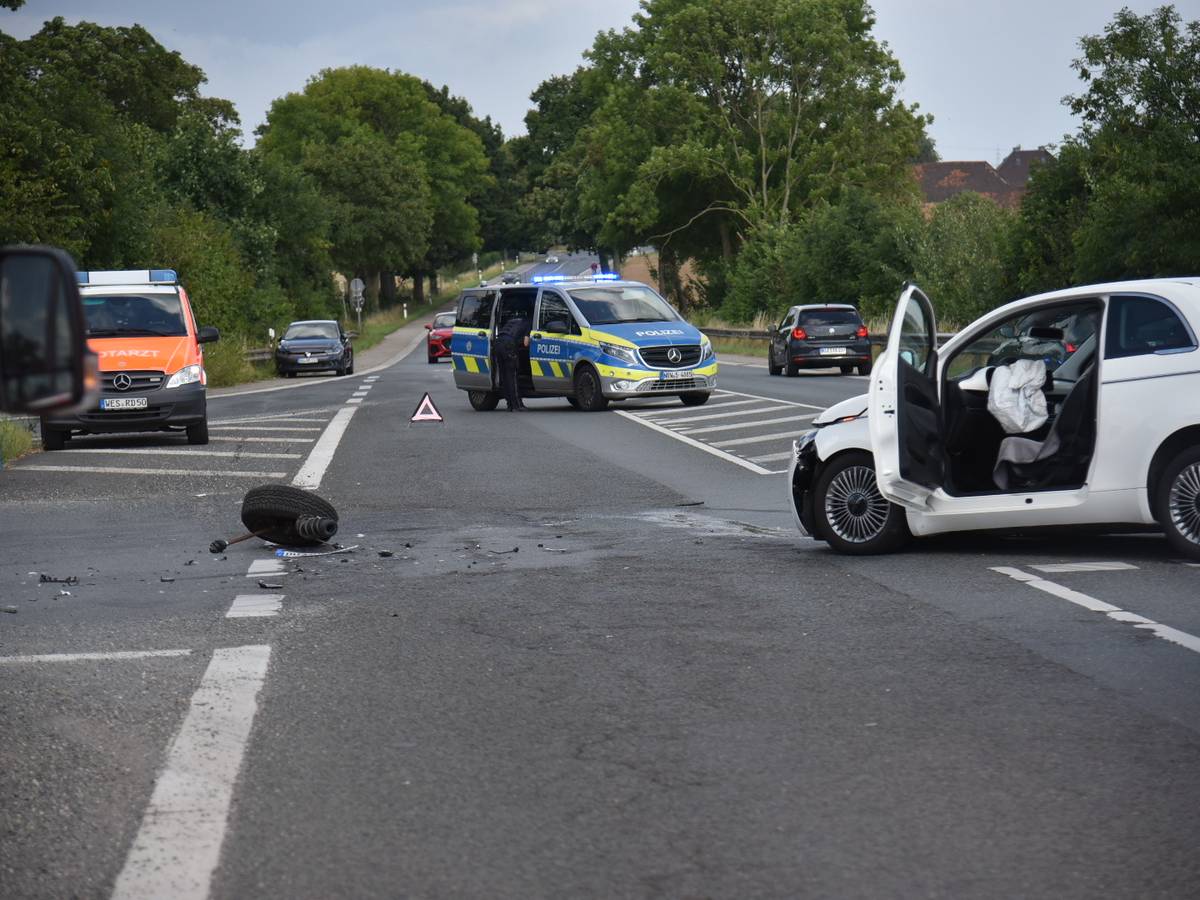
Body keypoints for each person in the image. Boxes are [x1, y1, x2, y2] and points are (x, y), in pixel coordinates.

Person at [494, 311, 532, 411]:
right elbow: (525, 343)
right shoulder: (529, 323)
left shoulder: (513, 320)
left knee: (504, 376)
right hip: (508, 345)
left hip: (498, 344)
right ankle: (517, 405)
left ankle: (509, 404)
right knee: (512, 377)